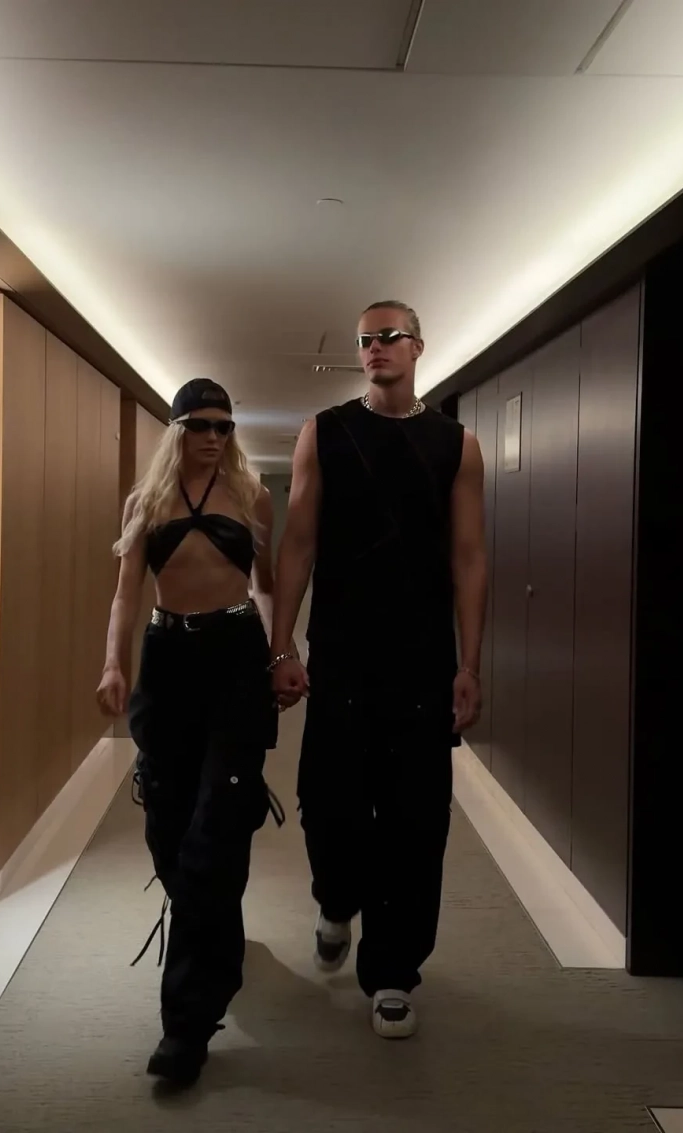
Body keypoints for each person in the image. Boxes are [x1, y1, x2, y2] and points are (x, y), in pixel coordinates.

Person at [270, 300, 487, 1040]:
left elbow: (469, 557)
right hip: (342, 652)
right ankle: (337, 900)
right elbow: (298, 542)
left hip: (422, 660)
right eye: (365, 340)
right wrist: (282, 645)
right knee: (329, 805)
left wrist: (469, 662)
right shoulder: (325, 432)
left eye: (389, 336)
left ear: (418, 346)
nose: (375, 348)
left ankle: (393, 970)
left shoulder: (456, 444)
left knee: (415, 818)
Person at [97, 378, 288, 1087]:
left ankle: (186, 1025)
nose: (214, 437)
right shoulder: (145, 503)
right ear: (177, 431)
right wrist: (113, 664)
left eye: (224, 426)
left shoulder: (252, 497)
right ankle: (219, 939)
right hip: (168, 660)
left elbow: (267, 583)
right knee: (170, 830)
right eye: (201, 425)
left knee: (214, 834)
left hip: (235, 658)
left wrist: (280, 653)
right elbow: (125, 593)